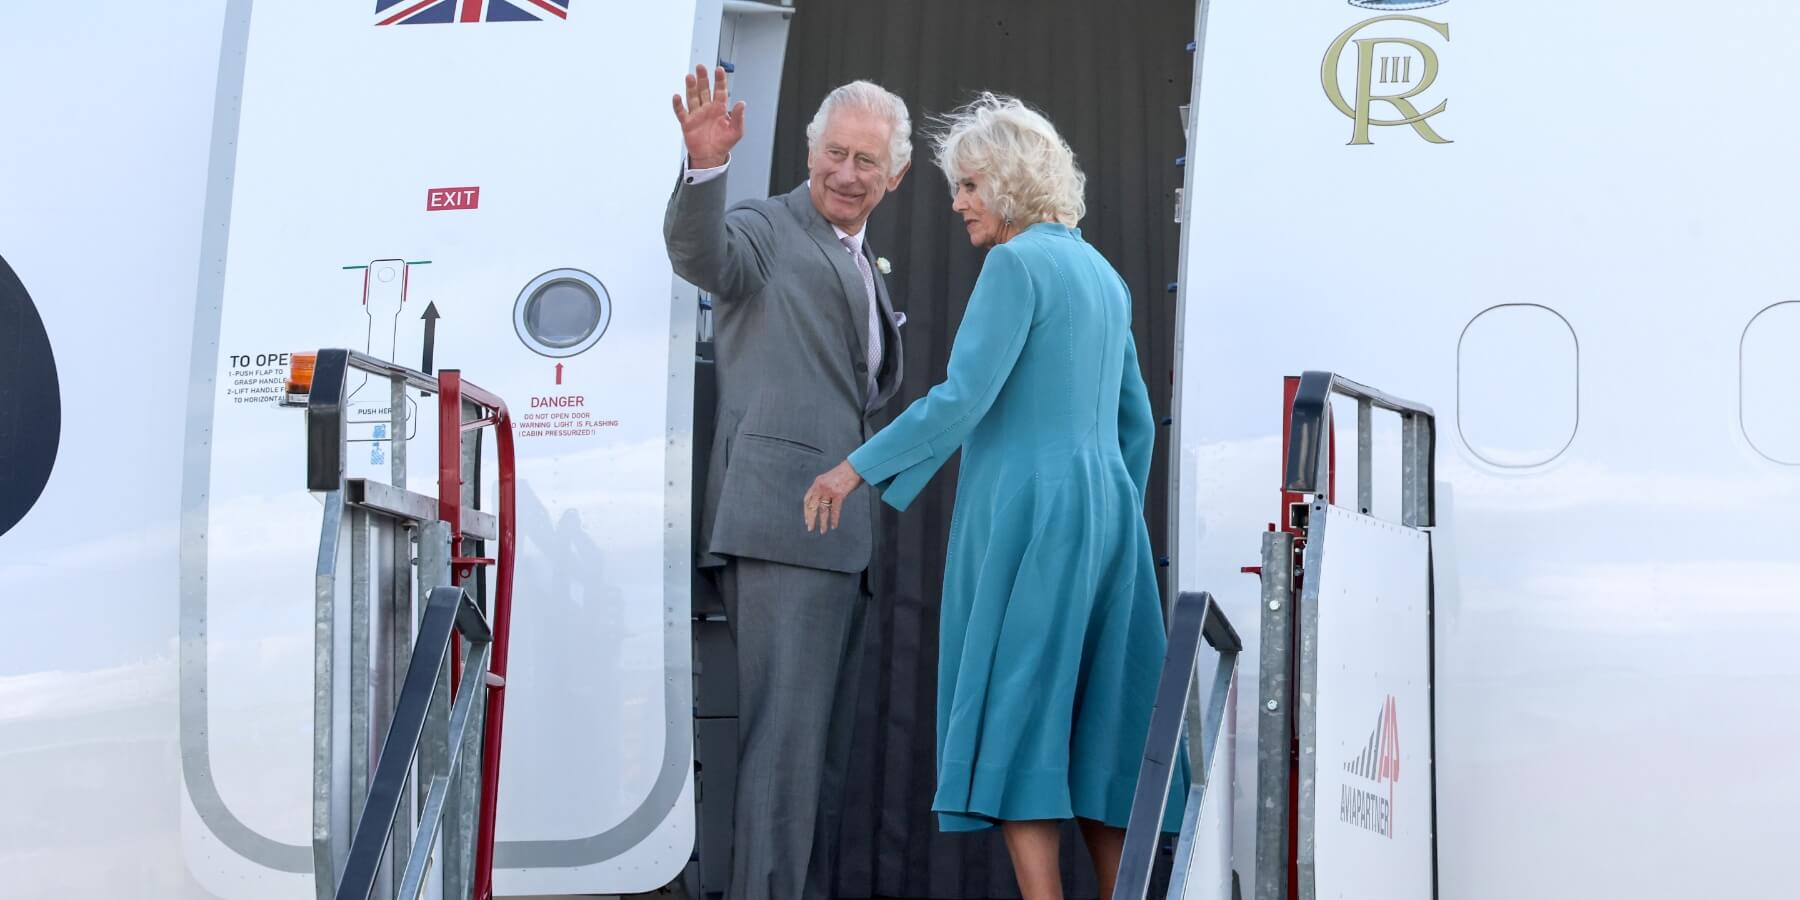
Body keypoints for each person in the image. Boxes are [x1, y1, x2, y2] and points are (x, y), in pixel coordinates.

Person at [802, 94, 1187, 899]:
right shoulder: (1103, 274)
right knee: (1104, 726)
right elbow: (1135, 424)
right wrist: (1108, 508)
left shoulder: (1015, 265)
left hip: (1025, 517)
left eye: (972, 184)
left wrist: (855, 468)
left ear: (1011, 182)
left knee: (1018, 715)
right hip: (1107, 516)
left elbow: (961, 397)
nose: (958, 203)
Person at [664, 66, 910, 900]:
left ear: (895, 174)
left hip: (841, 535)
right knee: (785, 751)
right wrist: (704, 169)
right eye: (834, 153)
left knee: (819, 761)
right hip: (782, 523)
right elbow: (703, 255)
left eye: (866, 161)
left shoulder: (863, 256)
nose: (847, 173)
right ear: (810, 152)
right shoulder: (766, 226)